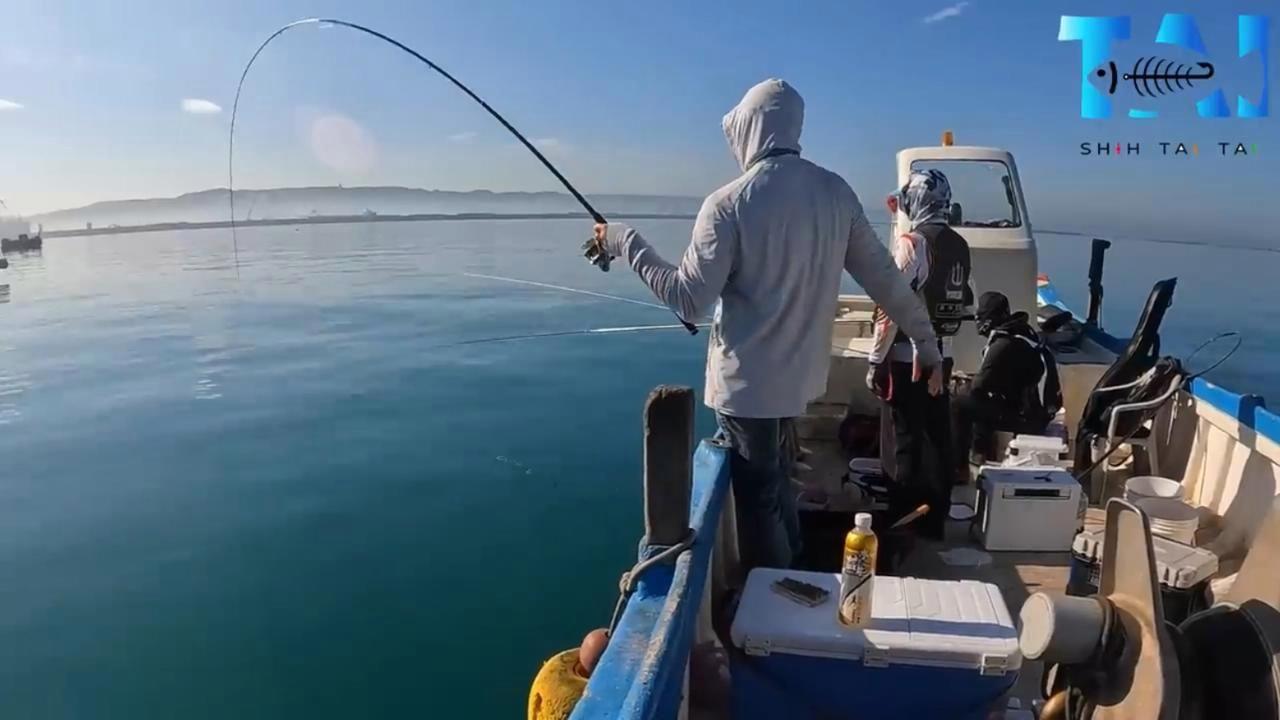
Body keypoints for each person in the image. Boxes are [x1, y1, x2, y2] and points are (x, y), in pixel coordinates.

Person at [584, 79, 941, 571]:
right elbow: (887, 281)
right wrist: (925, 340)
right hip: (800, 383)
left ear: (749, 130)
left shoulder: (728, 203)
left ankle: (776, 593)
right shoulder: (835, 192)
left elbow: (688, 301)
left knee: (761, 501)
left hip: (748, 391)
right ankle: (793, 569)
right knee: (778, 489)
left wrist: (625, 241)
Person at [866, 169, 974, 541]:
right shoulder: (959, 245)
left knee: (904, 439)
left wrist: (875, 361)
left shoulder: (912, 244)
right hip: (942, 357)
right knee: (936, 437)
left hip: (904, 360)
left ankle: (902, 522)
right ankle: (933, 519)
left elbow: (889, 307)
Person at [953, 291, 1063, 466]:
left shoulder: (1003, 344)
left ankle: (961, 466)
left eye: (980, 317)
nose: (978, 322)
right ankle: (982, 453)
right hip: (1036, 412)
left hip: (1027, 419)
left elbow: (979, 387)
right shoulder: (1023, 334)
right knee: (985, 398)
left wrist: (957, 385)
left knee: (960, 404)